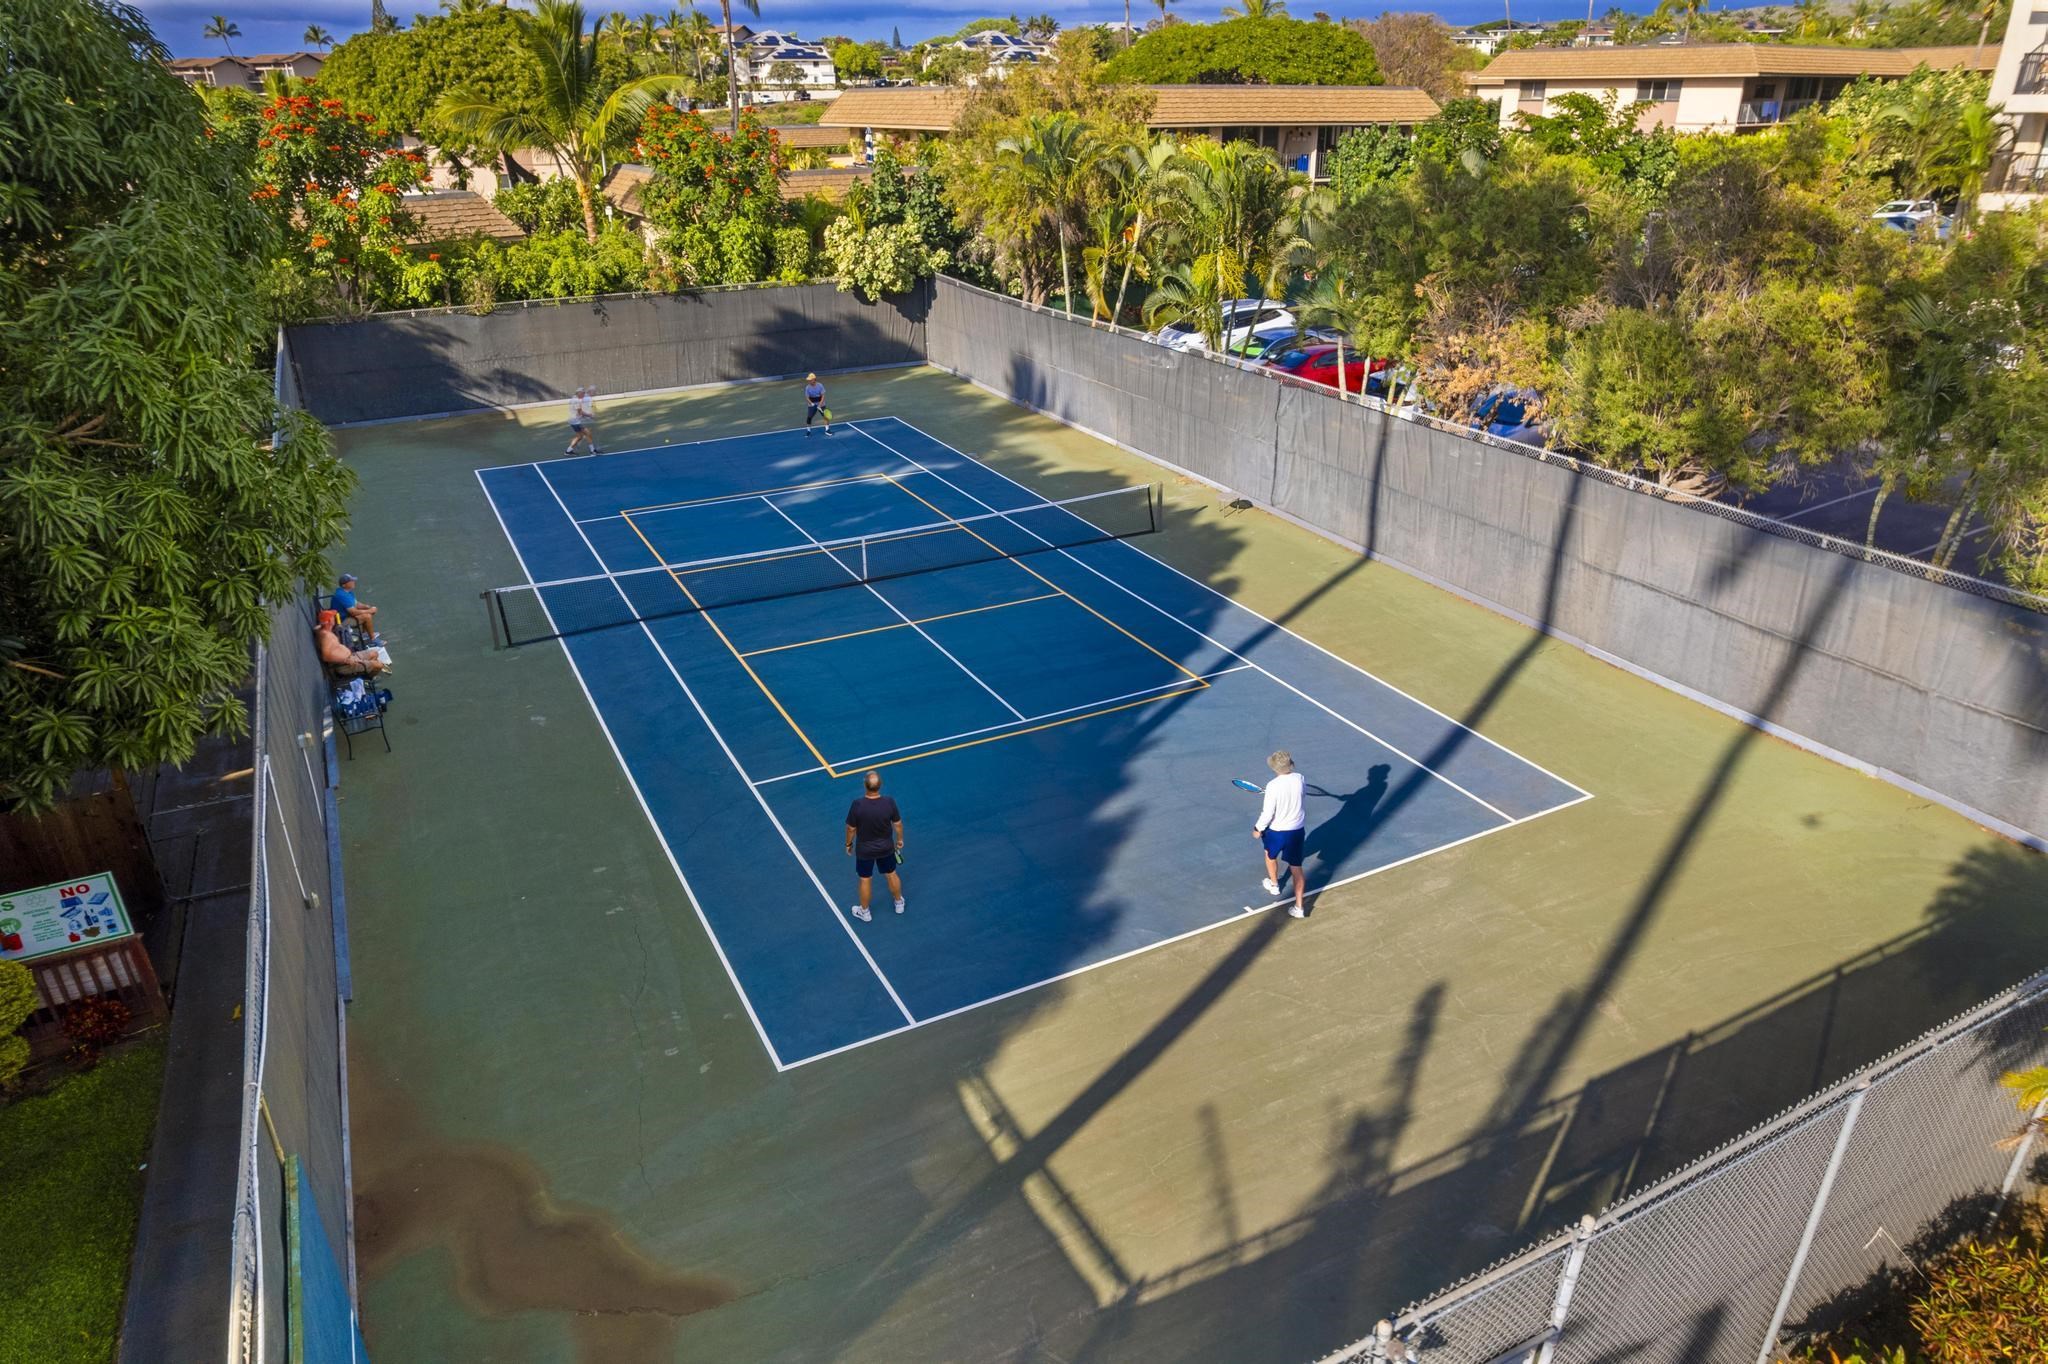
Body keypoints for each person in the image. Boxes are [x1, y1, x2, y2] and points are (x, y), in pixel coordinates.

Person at [1253, 749, 1308, 918]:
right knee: (1296, 868)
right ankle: (1299, 908)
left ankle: (1274, 885)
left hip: (1276, 832)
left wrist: (1258, 828)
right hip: (1297, 831)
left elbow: (1267, 813)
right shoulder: (1300, 778)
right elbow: (1300, 794)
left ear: (1274, 768)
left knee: (1270, 855)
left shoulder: (1273, 786)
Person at [843, 770, 904, 923]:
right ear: (880, 786)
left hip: (865, 850)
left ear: (865, 786)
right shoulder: (889, 802)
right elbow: (897, 824)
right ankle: (899, 903)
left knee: (865, 879)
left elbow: (851, 828)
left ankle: (865, 912)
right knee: (891, 873)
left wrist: (848, 844)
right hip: (886, 848)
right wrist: (900, 840)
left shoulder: (857, 805)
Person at [314, 611, 388, 677]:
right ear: (330, 621)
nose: (334, 618)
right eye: (332, 617)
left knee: (374, 653)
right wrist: (345, 660)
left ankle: (367, 669)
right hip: (344, 665)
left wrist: (322, 624)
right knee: (379, 665)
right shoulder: (327, 636)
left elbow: (316, 628)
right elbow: (326, 657)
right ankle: (369, 674)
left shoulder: (323, 630)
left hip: (351, 657)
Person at [565, 385, 599, 455]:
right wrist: (590, 415)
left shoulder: (575, 398)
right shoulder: (576, 401)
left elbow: (579, 413)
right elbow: (580, 412)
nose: (584, 394)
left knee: (579, 436)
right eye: (583, 393)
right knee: (588, 433)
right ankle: (592, 451)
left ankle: (568, 451)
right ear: (578, 393)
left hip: (573, 421)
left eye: (584, 393)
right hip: (576, 421)